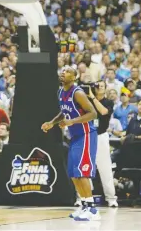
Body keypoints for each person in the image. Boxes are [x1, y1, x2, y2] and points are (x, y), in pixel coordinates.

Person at [41, 66, 99, 221]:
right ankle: (84, 205)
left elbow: (93, 113)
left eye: (67, 71)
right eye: (62, 70)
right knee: (74, 174)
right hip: (75, 136)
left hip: (86, 135)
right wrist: (52, 123)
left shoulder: (78, 92)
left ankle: (92, 209)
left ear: (74, 77)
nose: (62, 72)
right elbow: (64, 112)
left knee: (82, 173)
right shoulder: (61, 92)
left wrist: (72, 121)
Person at [88, 81, 118, 207]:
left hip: (101, 136)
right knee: (85, 168)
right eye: (97, 86)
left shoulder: (108, 102)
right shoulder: (86, 101)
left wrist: (93, 98)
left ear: (105, 89)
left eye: (102, 86)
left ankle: (111, 198)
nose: (99, 87)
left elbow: (103, 112)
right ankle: (84, 198)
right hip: (88, 136)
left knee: (105, 169)